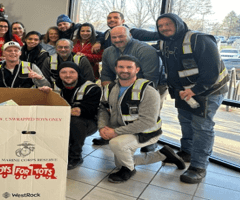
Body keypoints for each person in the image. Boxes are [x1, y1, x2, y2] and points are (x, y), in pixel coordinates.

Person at [156, 13, 229, 184]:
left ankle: (198, 166)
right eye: (160, 26)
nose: (164, 28)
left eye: (168, 24)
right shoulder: (165, 42)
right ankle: (187, 152)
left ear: (179, 24)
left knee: (202, 126)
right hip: (184, 91)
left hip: (209, 90)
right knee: (185, 120)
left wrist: (195, 90)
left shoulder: (199, 39)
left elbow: (212, 71)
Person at [98, 55, 185, 183]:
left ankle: (129, 170)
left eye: (129, 67)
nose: (125, 70)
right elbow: (103, 109)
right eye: (121, 67)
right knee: (119, 162)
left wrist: (116, 132)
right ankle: (163, 154)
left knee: (117, 145)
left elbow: (147, 122)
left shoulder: (148, 91)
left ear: (137, 69)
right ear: (116, 68)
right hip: (124, 130)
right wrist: (102, 128)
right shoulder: (109, 89)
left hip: (146, 132)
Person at [97, 26, 165, 151]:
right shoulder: (108, 52)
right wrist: (111, 94)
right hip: (122, 83)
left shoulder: (145, 50)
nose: (117, 40)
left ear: (130, 35)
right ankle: (111, 133)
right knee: (115, 108)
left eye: (121, 36)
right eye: (114, 37)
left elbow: (151, 79)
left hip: (151, 86)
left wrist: (130, 93)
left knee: (148, 114)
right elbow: (106, 75)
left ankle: (149, 139)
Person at [39, 62, 101, 170]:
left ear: (78, 73)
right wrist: (45, 94)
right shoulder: (54, 86)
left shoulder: (91, 88)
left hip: (87, 123)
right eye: (63, 72)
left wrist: (81, 110)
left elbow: (92, 109)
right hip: (61, 119)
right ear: (59, 74)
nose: (68, 75)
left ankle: (75, 156)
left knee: (75, 122)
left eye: (72, 72)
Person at [92, 11, 159, 52]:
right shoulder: (107, 33)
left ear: (123, 21)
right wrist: (98, 42)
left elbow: (154, 36)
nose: (111, 20)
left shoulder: (132, 32)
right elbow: (100, 35)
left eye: (116, 18)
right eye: (109, 18)